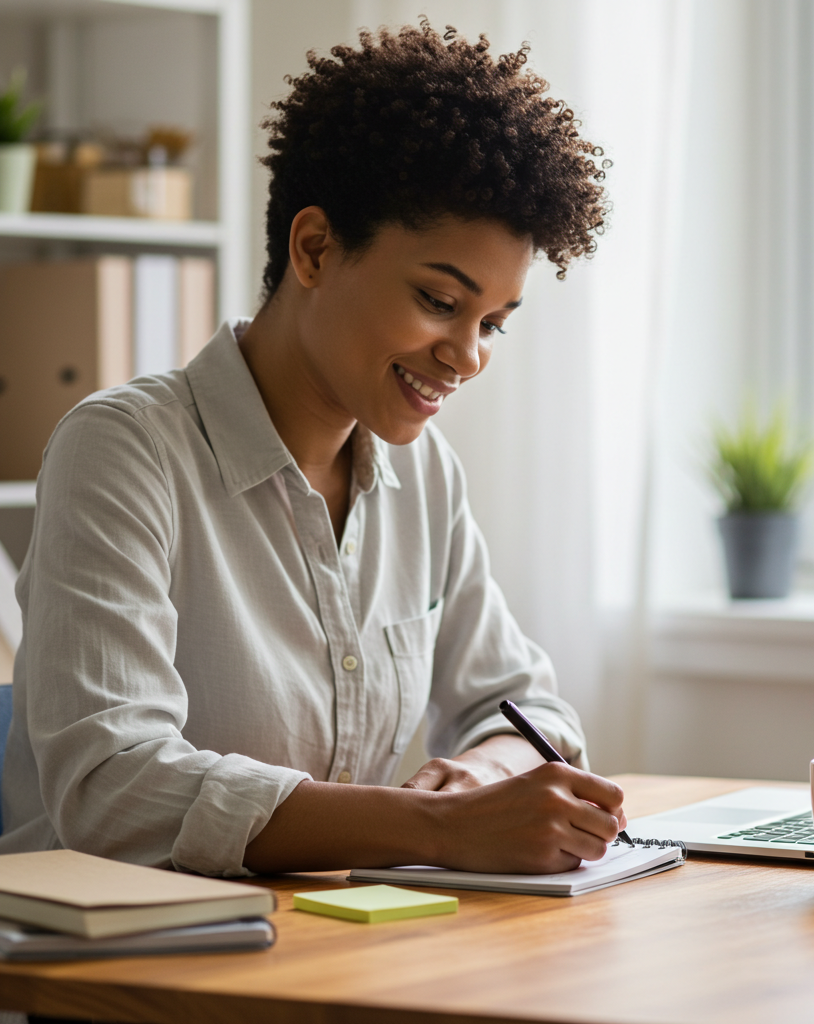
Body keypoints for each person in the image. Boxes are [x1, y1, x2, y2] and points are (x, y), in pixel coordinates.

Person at [0, 21, 626, 878]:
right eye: (440, 299)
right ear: (315, 248)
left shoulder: (424, 473)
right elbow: (112, 785)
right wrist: (434, 831)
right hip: (134, 971)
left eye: (493, 325)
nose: (469, 354)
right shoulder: (125, 451)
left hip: (327, 945)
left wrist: (478, 778)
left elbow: (528, 711)